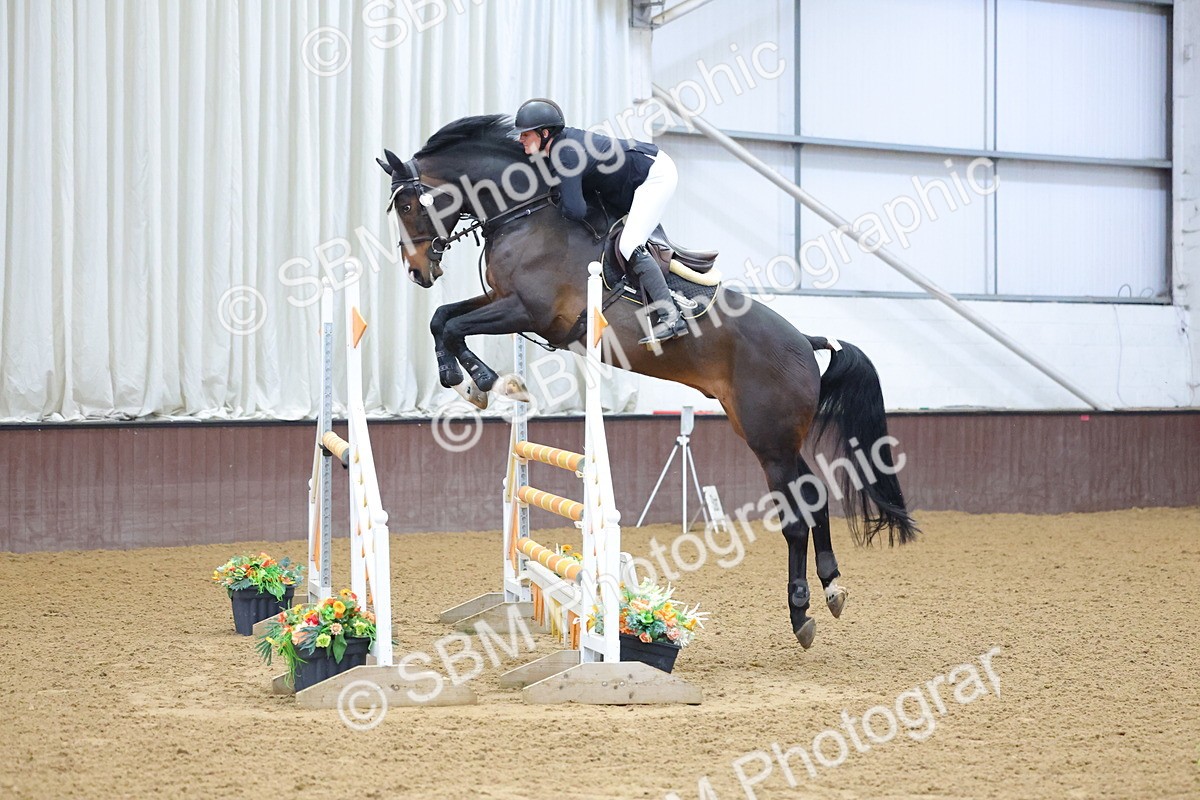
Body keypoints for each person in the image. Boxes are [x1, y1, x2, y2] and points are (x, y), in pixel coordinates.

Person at [512, 98, 688, 344]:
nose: (520, 139)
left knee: (629, 244)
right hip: (635, 177)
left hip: (655, 175)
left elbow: (575, 210)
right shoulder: (557, 148)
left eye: (525, 134)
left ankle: (671, 317)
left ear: (544, 133)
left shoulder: (566, 153)